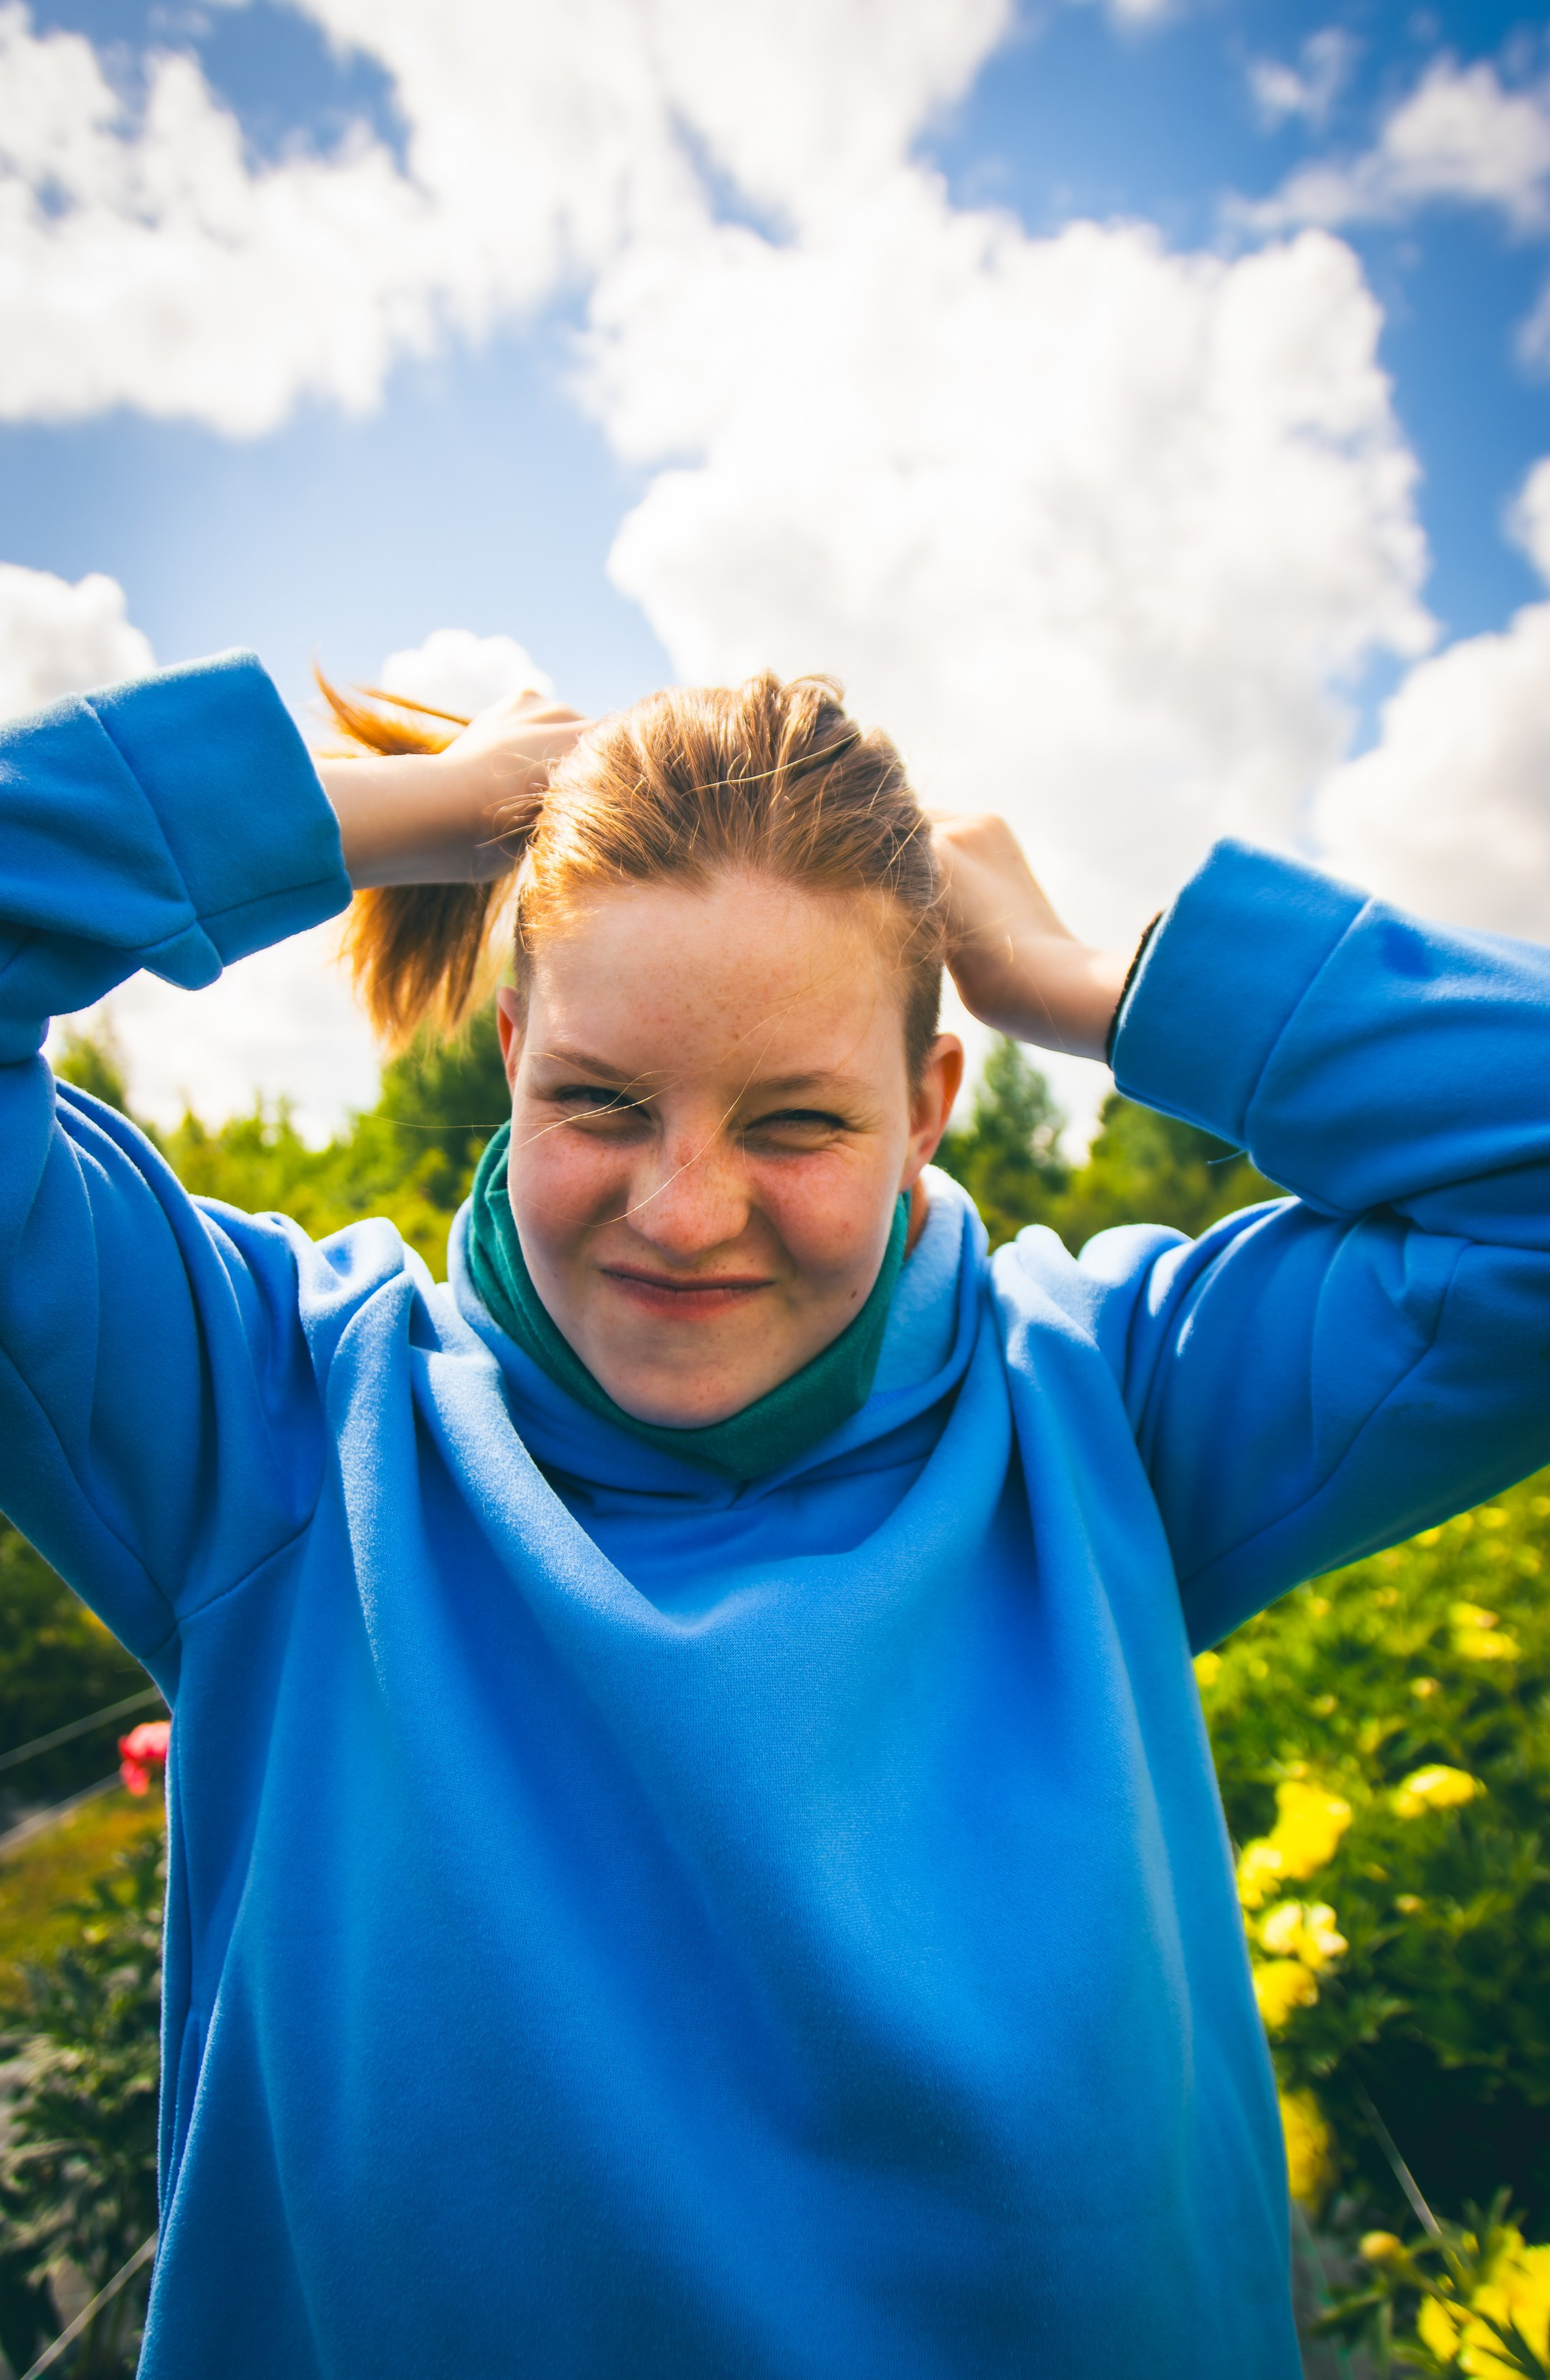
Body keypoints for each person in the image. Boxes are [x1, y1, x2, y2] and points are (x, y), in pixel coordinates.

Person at [0, 649, 1546, 2380]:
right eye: (600, 1100)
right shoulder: (269, 1423)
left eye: (798, 1121)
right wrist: (376, 817)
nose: (683, 1210)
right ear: (509, 1055)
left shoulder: (1111, 1407)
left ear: (929, 1113)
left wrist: (1108, 987)